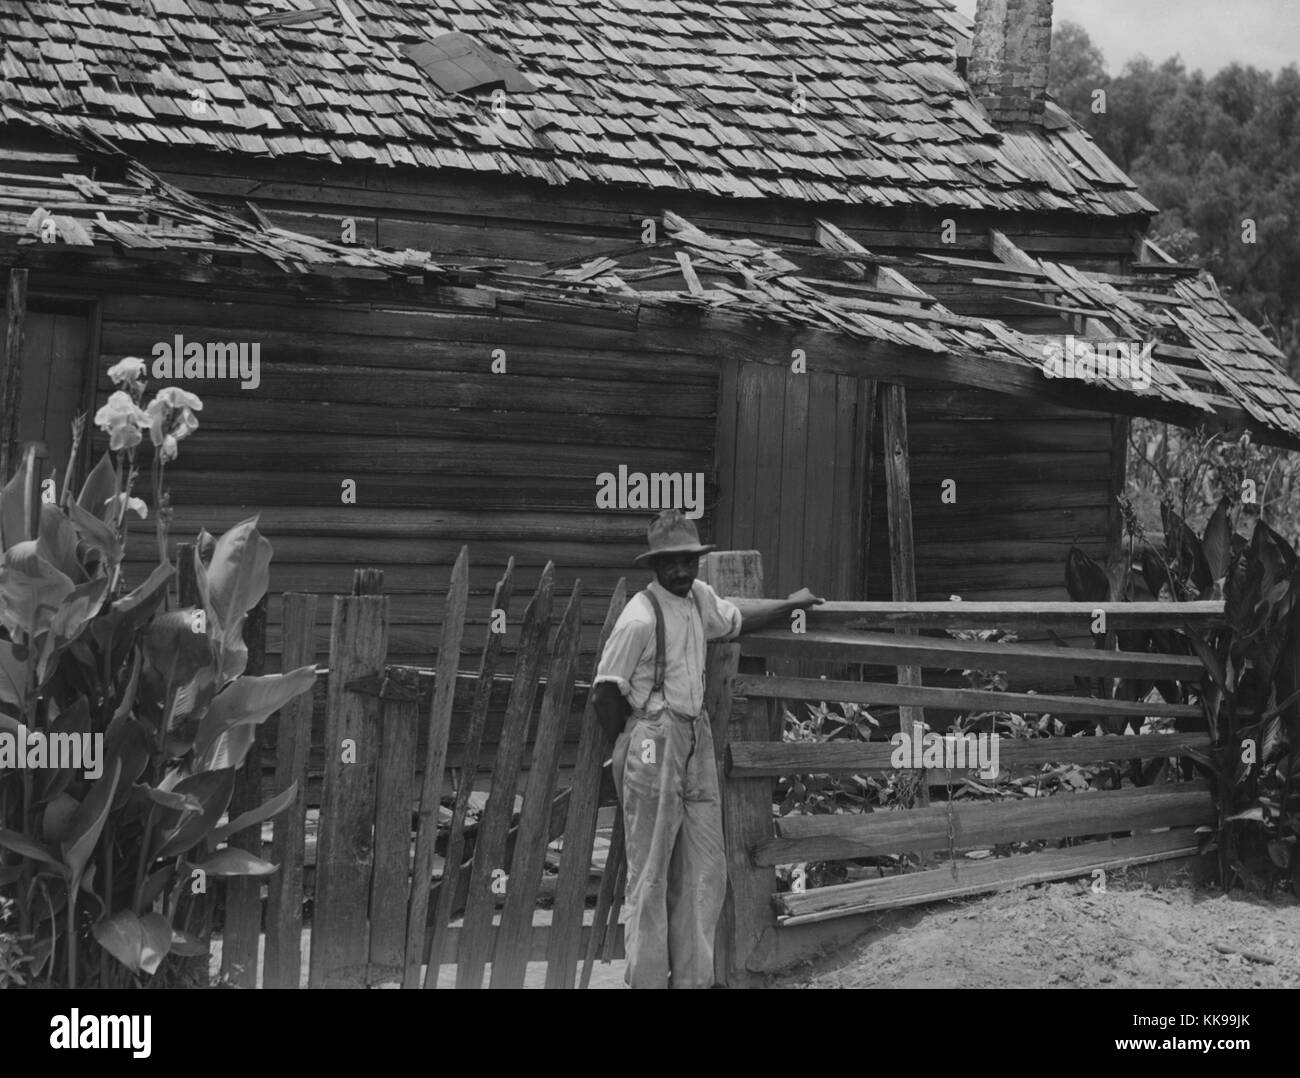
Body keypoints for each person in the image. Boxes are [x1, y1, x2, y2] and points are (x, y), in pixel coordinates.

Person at [591, 508, 822, 988]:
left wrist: (789, 604)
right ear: (655, 566)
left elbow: (736, 621)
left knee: (705, 868)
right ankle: (649, 982)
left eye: (687, 561)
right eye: (670, 563)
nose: (680, 571)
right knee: (651, 871)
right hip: (653, 738)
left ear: (697, 562)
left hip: (696, 736)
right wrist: (630, 746)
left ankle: (694, 980)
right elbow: (605, 692)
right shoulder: (638, 617)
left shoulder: (699, 598)